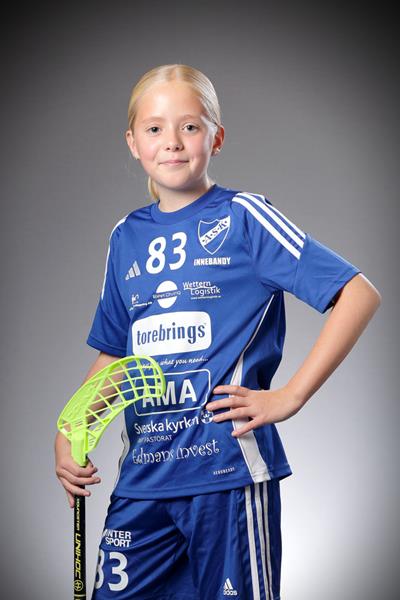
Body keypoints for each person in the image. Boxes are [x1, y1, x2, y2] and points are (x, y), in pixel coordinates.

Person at [55, 64, 381, 600]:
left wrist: (291, 396)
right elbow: (115, 356)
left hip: (226, 473)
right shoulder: (125, 237)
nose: (172, 142)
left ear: (216, 137)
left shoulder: (244, 216)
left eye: (190, 126)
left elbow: (357, 294)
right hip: (143, 478)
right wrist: (73, 429)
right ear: (133, 142)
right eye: (155, 128)